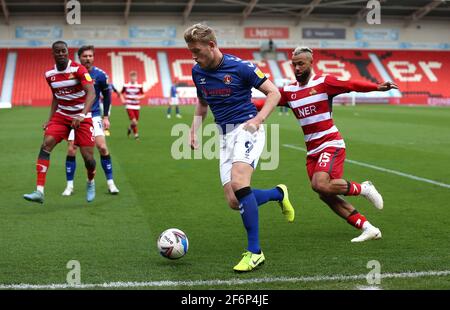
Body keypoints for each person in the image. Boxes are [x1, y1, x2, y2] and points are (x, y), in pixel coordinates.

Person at [184, 23, 295, 273]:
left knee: (239, 182)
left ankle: (255, 252)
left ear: (212, 45)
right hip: (223, 136)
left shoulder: (241, 67)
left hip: (247, 128)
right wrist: (193, 130)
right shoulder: (197, 71)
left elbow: (274, 93)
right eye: (191, 51)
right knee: (235, 201)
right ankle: (278, 193)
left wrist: (257, 120)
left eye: (197, 50)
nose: (194, 56)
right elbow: (202, 103)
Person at [275, 46, 398, 242]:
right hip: (312, 150)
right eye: (294, 64)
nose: (297, 68)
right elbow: (267, 102)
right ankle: (368, 228)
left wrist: (376, 86)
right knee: (325, 194)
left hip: (330, 142)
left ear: (310, 63)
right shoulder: (289, 91)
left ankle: (364, 188)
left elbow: (350, 84)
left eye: (301, 64)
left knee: (320, 184)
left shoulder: (324, 82)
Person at [23, 41, 97, 203]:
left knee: (88, 159)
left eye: (64, 51)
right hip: (62, 116)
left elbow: (91, 93)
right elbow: (56, 96)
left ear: (67, 52)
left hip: (82, 117)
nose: (62, 54)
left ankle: (90, 181)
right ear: (53, 54)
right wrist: (50, 120)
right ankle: (39, 191)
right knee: (46, 145)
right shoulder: (49, 74)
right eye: (58, 52)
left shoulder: (79, 69)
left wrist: (82, 115)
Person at [61, 45, 119, 196]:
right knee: (72, 149)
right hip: (75, 116)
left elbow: (107, 96)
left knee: (102, 148)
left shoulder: (100, 75)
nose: (88, 58)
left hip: (93, 115)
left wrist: (106, 116)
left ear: (93, 57)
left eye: (90, 56)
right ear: (79, 58)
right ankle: (69, 186)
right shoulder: (71, 74)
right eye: (85, 56)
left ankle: (111, 183)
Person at [120, 71, 144, 140]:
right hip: (129, 105)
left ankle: (130, 128)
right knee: (134, 121)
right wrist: (123, 100)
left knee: (135, 122)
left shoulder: (139, 86)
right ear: (130, 77)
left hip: (137, 106)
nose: (133, 78)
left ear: (136, 78)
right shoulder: (126, 85)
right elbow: (121, 93)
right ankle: (136, 135)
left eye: (134, 77)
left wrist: (139, 97)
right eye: (132, 77)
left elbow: (143, 94)